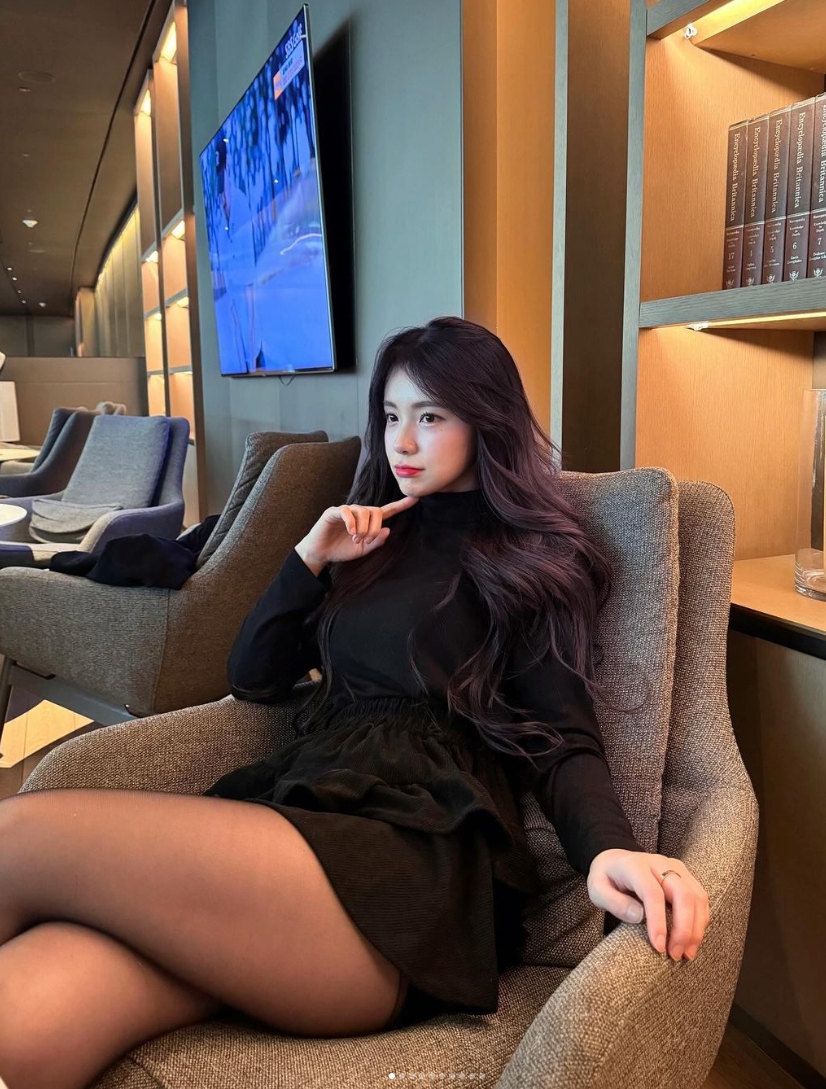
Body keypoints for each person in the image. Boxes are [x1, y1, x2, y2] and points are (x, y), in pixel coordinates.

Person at [0, 316, 709, 1089]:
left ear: (486, 419)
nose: (402, 440)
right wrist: (310, 557)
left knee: (18, 835)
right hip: (300, 827)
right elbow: (254, 676)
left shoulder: (525, 557)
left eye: (430, 417)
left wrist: (607, 850)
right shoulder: (368, 542)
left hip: (400, 873)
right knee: (26, 1008)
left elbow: (562, 739)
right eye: (392, 415)